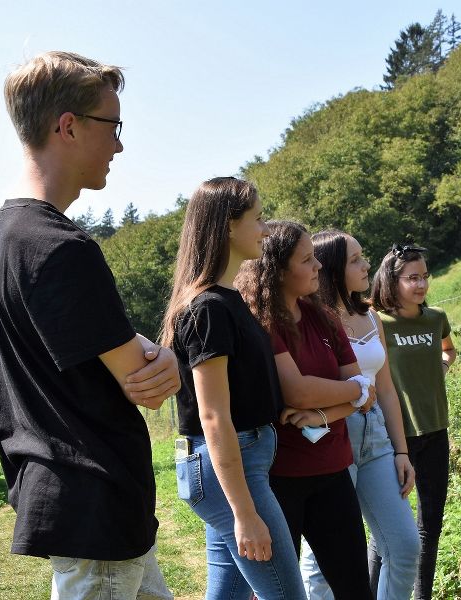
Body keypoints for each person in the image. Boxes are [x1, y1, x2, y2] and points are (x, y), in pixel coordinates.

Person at [0, 51, 180, 599]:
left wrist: (154, 353)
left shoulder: (16, 235)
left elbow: (118, 347)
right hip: (94, 509)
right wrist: (163, 358)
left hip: (102, 513)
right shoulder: (57, 247)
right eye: (113, 126)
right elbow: (146, 382)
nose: (119, 144)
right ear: (67, 126)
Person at [160, 177, 306, 599]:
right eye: (258, 219)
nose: (264, 229)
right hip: (232, 469)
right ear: (227, 225)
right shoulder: (209, 308)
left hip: (230, 466)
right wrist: (244, 512)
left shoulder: (226, 300)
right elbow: (213, 416)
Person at [236, 221, 375, 600]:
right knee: (277, 593)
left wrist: (323, 413)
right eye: (307, 259)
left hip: (333, 471)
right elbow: (297, 391)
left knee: (355, 589)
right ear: (278, 270)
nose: (318, 266)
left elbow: (368, 393)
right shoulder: (261, 324)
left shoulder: (323, 317)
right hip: (278, 478)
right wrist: (353, 392)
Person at [299, 230, 419, 600]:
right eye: (355, 259)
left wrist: (401, 451)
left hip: (377, 436)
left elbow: (385, 389)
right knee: (322, 563)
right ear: (332, 268)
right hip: (333, 436)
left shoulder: (370, 317)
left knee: (404, 546)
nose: (367, 264)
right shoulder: (309, 320)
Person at [370, 244, 456, 600]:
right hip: (394, 438)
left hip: (435, 430)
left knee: (429, 526)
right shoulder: (378, 321)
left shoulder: (435, 318)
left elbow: (448, 348)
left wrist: (443, 365)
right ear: (393, 280)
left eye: (424, 276)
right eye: (412, 278)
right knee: (385, 531)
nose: (420, 285)